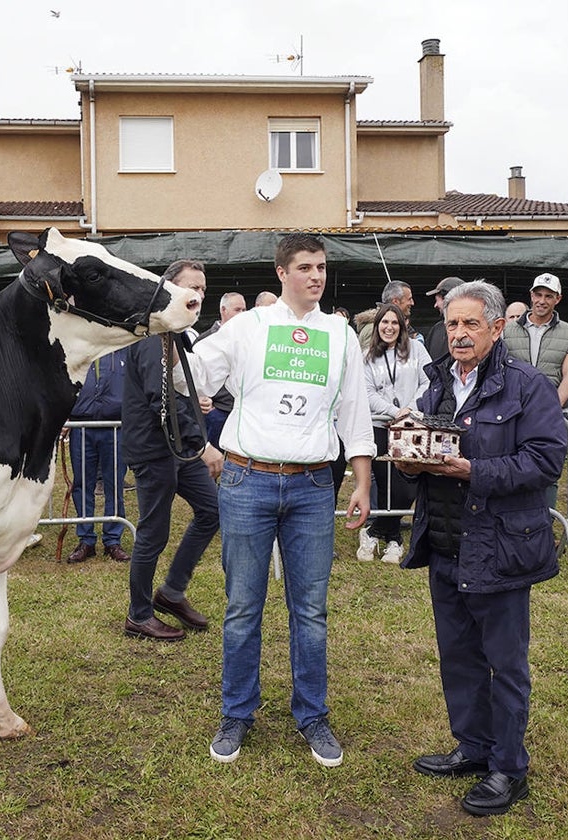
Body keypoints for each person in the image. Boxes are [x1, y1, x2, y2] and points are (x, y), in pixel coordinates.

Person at [181, 232, 374, 769]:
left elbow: (354, 414)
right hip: (248, 482)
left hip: (315, 486)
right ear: (281, 273)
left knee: (309, 610)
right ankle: (237, 713)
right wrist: (169, 329)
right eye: (306, 267)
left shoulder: (340, 334)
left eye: (322, 267)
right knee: (243, 607)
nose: (317, 276)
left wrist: (360, 481)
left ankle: (312, 714)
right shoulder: (247, 327)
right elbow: (191, 372)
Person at [401, 280, 566, 817]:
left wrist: (476, 470)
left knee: (505, 664)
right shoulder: (437, 386)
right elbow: (425, 447)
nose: (460, 333)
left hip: (500, 547)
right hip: (447, 542)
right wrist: (408, 458)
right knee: (459, 657)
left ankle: (508, 768)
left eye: (472, 323)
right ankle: (472, 748)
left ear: (497, 328)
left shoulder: (527, 386)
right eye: (453, 323)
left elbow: (545, 461)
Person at [121, 259, 222, 641]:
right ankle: (139, 615)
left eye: (203, 289)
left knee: (212, 512)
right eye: (191, 287)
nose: (198, 295)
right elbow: (158, 397)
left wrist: (196, 402)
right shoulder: (153, 334)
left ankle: (172, 593)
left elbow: (178, 392)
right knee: (153, 533)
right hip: (155, 451)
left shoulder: (178, 334)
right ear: (169, 289)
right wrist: (202, 444)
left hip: (180, 449)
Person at [356, 304, 431, 563]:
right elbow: (366, 393)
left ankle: (377, 530)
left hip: (410, 426)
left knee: (405, 486)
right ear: (377, 326)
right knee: (384, 480)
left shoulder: (417, 349)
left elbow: (428, 381)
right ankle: (394, 538)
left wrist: (409, 409)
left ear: (402, 326)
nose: (389, 327)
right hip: (379, 425)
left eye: (394, 323)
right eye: (384, 322)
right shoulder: (366, 355)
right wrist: (393, 411)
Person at [502, 273, 568, 511]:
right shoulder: (508, 329)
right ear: (531, 295)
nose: (542, 300)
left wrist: (550, 407)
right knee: (510, 469)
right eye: (538, 294)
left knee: (547, 472)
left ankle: (544, 528)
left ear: (558, 299)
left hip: (552, 414)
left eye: (549, 296)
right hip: (513, 412)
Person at [65, 348, 130, 563]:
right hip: (82, 425)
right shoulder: (81, 345)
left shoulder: (125, 347)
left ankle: (113, 540)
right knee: (82, 484)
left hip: (116, 426)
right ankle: (86, 540)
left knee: (115, 484)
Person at [196, 293, 247, 445]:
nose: (242, 314)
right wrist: (208, 404)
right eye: (237, 310)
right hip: (217, 412)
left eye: (245, 310)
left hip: (241, 413)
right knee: (213, 465)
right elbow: (195, 377)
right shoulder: (205, 340)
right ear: (223, 310)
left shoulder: (250, 339)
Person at [355, 280, 417, 349]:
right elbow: (370, 357)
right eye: (409, 299)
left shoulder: (403, 326)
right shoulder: (373, 328)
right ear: (395, 302)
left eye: (394, 323)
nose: (412, 303)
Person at [423, 277, 464, 360]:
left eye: (437, 300)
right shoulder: (436, 329)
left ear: (448, 299)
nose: (435, 305)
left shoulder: (473, 331)